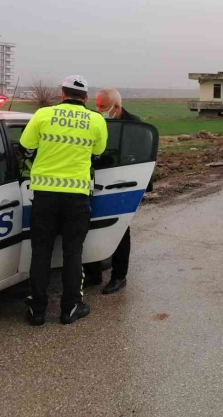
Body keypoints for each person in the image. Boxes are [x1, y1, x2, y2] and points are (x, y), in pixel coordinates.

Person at [19, 75, 108, 326]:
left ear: (62, 93)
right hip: (76, 197)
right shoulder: (96, 120)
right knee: (73, 253)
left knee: (41, 252)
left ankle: (37, 310)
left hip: (44, 196)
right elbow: (98, 153)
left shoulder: (43, 115)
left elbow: (26, 146)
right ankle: (70, 308)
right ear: (86, 98)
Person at [83, 88, 142, 294]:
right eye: (96, 105)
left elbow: (139, 158)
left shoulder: (134, 126)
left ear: (116, 107)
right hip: (93, 183)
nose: (98, 110)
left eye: (102, 107)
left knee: (119, 229)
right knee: (91, 227)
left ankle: (119, 276)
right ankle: (93, 272)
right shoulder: (92, 122)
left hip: (121, 184)